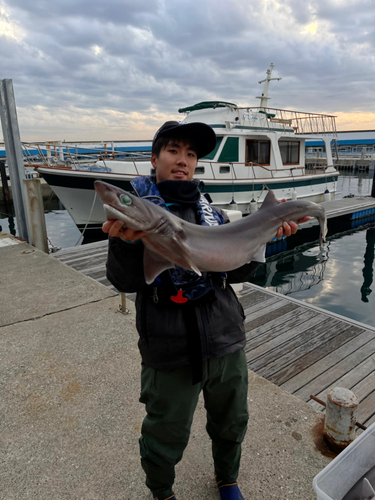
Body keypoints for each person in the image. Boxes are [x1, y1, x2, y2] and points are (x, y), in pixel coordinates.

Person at [103, 121, 306, 500]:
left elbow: (238, 269)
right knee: (166, 430)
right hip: (169, 345)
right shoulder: (137, 214)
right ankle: (162, 492)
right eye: (174, 151)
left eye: (191, 154)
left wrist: (265, 235)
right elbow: (125, 280)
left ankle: (227, 480)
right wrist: (129, 245)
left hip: (224, 335)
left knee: (232, 420)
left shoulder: (211, 210)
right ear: (155, 158)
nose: (183, 161)